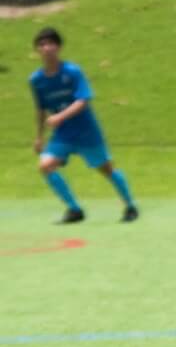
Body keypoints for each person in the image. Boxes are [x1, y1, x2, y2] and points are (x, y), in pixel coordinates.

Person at [29, 27, 138, 224]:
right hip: (63, 134)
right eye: (42, 45)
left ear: (58, 47)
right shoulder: (36, 80)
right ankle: (74, 210)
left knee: (106, 169)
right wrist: (39, 136)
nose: (46, 48)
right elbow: (40, 109)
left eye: (50, 44)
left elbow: (83, 100)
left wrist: (60, 116)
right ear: (37, 50)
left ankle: (130, 206)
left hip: (86, 131)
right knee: (45, 166)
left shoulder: (72, 72)